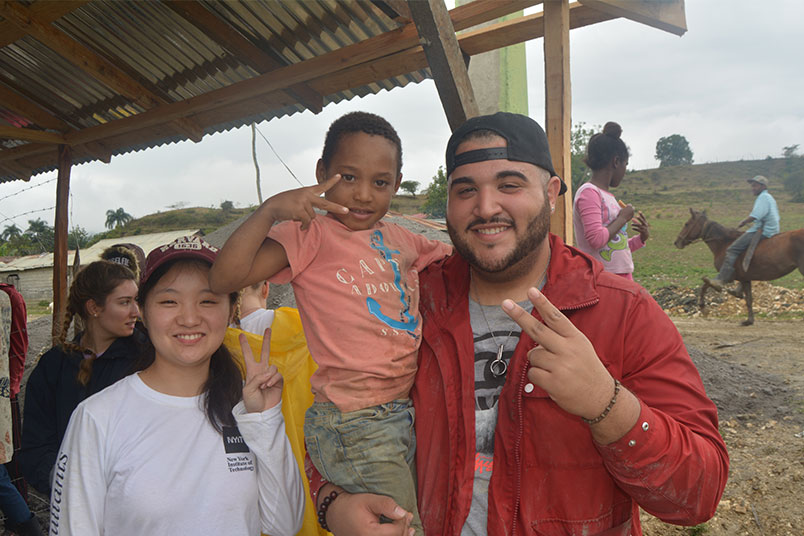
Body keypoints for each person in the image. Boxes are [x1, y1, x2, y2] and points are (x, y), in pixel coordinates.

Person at [316, 112, 729, 536]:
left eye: (509, 185)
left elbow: (699, 493)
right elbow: (338, 417)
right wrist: (331, 503)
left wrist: (606, 403)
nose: (486, 206)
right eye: (465, 190)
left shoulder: (622, 312)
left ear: (551, 193)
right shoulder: (409, 301)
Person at [210, 111, 452, 536]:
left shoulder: (404, 240)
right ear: (321, 173)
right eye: (348, 176)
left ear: (397, 184)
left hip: (402, 411)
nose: (363, 194)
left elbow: (459, 266)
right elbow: (225, 278)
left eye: (380, 182)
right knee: (406, 527)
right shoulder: (309, 235)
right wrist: (269, 211)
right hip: (354, 420)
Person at [50, 236, 304, 535]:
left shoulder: (247, 406)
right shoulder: (97, 418)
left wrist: (265, 419)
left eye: (207, 301)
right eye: (169, 301)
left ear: (231, 308)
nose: (189, 318)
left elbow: (284, 525)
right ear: (142, 310)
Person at [20, 260, 142, 495]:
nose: (135, 311)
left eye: (136, 300)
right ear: (94, 308)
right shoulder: (53, 366)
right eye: (124, 302)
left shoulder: (146, 358)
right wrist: (70, 487)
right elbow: (36, 447)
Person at [573, 121, 649, 279]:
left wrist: (641, 239)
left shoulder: (609, 198)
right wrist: (622, 218)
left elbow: (616, 247)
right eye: (625, 164)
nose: (625, 171)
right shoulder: (589, 193)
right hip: (604, 280)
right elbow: (596, 240)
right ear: (616, 162)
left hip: (621, 277)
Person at [703, 175, 779, 291]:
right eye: (752, 185)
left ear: (763, 186)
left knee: (732, 249)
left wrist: (744, 222)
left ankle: (721, 279)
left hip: (764, 230)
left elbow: (756, 215)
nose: (752, 188)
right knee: (743, 250)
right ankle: (740, 289)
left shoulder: (763, 197)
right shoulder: (769, 197)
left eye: (755, 185)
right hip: (769, 228)